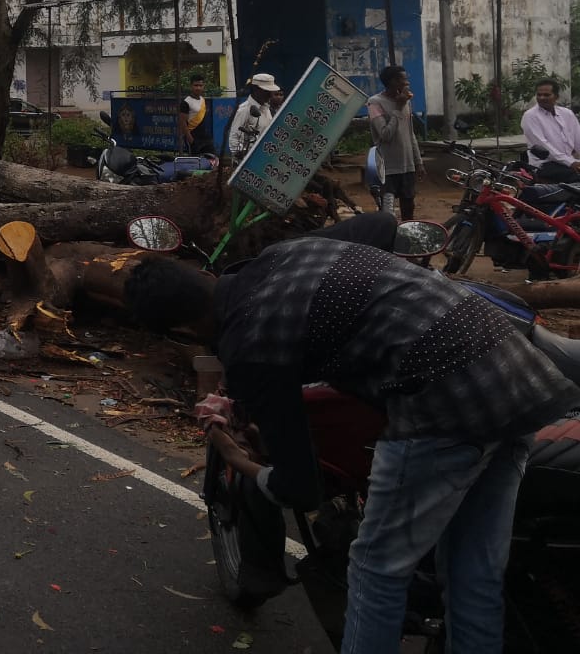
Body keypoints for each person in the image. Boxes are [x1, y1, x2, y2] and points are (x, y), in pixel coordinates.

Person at [124, 231, 580, 654]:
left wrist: (235, 458)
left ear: (182, 330)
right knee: (473, 570)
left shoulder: (251, 342)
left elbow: (300, 489)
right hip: (520, 374)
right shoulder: (285, 253)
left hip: (447, 404)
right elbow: (381, 223)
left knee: (375, 567)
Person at [367, 65, 423, 220]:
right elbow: (385, 134)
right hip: (387, 169)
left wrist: (418, 162)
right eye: (404, 80)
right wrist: (398, 109)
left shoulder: (405, 102)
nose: (407, 83)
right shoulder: (374, 103)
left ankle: (406, 241)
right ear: (392, 81)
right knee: (387, 213)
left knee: (408, 210)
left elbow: (410, 134)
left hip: (407, 166)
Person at [520, 77, 580, 184]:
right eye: (539, 95)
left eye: (547, 95)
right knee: (575, 177)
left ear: (556, 96)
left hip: (567, 161)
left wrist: (572, 161)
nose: (542, 98)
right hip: (544, 164)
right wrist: (570, 162)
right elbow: (545, 147)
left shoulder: (567, 114)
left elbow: (578, 141)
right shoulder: (530, 116)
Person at [225, 72, 279, 160]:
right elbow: (234, 138)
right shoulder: (244, 110)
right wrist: (243, 158)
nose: (270, 95)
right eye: (266, 91)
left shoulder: (266, 109)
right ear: (255, 89)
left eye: (271, 92)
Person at [183, 74, 215, 156]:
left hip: (204, 138)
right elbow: (182, 124)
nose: (198, 88)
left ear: (203, 86)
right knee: (195, 163)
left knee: (212, 159)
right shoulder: (186, 102)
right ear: (191, 86)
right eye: (196, 85)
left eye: (200, 85)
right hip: (193, 137)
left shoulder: (202, 100)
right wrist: (191, 141)